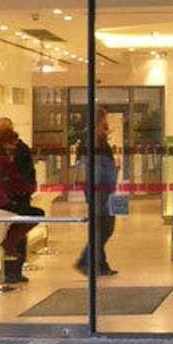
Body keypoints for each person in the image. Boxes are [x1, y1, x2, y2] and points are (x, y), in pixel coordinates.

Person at [0, 125, 43, 285]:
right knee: (36, 214)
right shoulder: (5, 160)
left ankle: (5, 242)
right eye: (13, 143)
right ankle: (7, 243)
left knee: (20, 218)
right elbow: (17, 183)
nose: (14, 147)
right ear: (6, 142)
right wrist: (30, 188)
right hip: (2, 204)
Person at [74, 108, 120, 276]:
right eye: (104, 119)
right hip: (100, 190)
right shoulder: (93, 141)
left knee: (102, 227)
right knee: (105, 227)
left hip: (101, 188)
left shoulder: (94, 139)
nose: (106, 123)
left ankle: (100, 264)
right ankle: (86, 261)